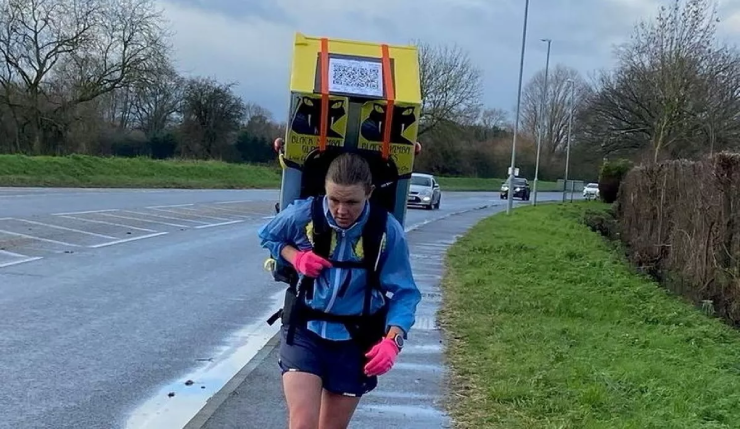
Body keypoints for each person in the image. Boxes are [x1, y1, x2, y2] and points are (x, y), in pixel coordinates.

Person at [257, 152, 421, 429]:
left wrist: (393, 341)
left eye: (352, 202)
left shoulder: (386, 230)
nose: (341, 210)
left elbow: (405, 293)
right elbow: (268, 235)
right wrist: (296, 257)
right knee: (302, 425)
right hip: (306, 329)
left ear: (369, 193)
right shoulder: (304, 213)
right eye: (333, 199)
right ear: (325, 189)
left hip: (355, 340)